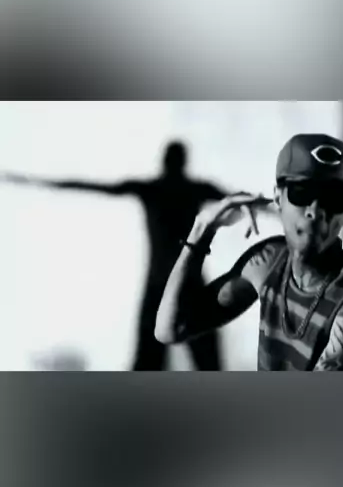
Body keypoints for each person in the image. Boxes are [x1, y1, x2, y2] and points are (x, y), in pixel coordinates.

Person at [155, 134, 343, 370]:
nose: (315, 211)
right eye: (302, 192)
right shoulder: (270, 262)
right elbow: (171, 329)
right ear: (278, 198)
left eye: (335, 198)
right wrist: (202, 229)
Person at [1, 141, 232, 370]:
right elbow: (236, 200)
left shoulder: (156, 189)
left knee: (155, 364)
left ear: (165, 162)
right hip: (185, 286)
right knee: (197, 364)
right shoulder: (190, 190)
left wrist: (35, 181)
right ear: (183, 162)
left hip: (164, 286)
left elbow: (92, 187)